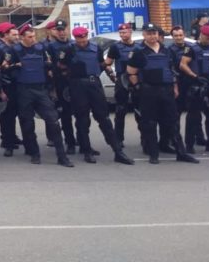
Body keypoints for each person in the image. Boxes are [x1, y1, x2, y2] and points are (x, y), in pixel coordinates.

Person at [126, 24, 198, 164]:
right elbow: (131, 72)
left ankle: (181, 153)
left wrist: (175, 87)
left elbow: (172, 70)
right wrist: (138, 87)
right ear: (144, 35)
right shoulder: (138, 51)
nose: (152, 36)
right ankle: (154, 154)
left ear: (158, 35)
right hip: (149, 91)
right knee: (150, 123)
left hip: (166, 90)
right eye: (149, 33)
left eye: (154, 33)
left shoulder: (167, 50)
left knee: (172, 122)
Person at [61, 27, 133, 165]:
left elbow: (102, 63)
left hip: (94, 85)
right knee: (82, 120)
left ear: (87, 35)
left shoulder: (96, 48)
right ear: (75, 38)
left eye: (83, 37)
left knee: (104, 119)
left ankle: (118, 152)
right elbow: (61, 66)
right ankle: (86, 150)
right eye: (78, 38)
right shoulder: (69, 50)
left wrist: (110, 74)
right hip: (77, 86)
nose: (82, 40)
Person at [7, 24, 73, 167]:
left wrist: (51, 82)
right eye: (30, 37)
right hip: (24, 90)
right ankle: (34, 153)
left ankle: (62, 156)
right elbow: (5, 68)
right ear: (23, 37)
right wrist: (15, 68)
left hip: (41, 89)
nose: (33, 39)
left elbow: (50, 65)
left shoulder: (41, 48)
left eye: (34, 36)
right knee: (28, 124)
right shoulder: (15, 50)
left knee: (53, 121)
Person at [179, 25, 209, 153]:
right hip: (195, 85)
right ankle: (189, 145)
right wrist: (195, 76)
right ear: (201, 34)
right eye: (207, 37)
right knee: (193, 117)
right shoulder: (191, 48)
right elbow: (183, 65)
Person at [44, 18, 77, 153]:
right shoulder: (51, 47)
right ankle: (70, 143)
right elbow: (49, 66)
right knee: (65, 115)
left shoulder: (74, 44)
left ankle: (82, 140)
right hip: (60, 82)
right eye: (58, 30)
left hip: (75, 82)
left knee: (81, 114)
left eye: (63, 29)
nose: (61, 32)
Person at [105, 22, 140, 147]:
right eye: (120, 33)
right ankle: (118, 139)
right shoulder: (115, 47)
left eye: (124, 32)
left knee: (140, 109)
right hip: (122, 79)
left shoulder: (138, 47)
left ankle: (145, 137)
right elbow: (107, 63)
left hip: (136, 79)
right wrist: (111, 75)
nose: (122, 35)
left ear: (130, 32)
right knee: (120, 110)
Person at [0, 22, 22, 156]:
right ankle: (6, 140)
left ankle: (12, 136)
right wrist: (0, 90)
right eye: (13, 34)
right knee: (7, 114)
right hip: (5, 84)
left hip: (15, 83)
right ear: (5, 34)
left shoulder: (12, 47)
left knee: (13, 112)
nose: (17, 36)